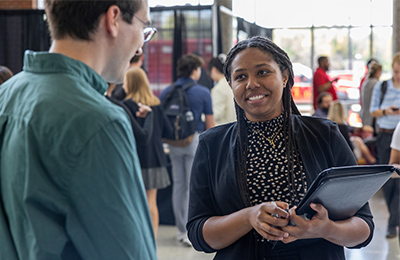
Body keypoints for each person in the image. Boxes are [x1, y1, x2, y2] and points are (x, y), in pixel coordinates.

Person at [187, 36, 373, 260]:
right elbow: (198, 234)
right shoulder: (212, 145)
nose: (252, 83)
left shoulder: (326, 135)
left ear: (285, 76)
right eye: (240, 76)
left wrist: (325, 229)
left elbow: (363, 227)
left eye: (263, 72)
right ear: (231, 85)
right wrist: (248, 217)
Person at [0, 0, 158, 259]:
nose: (141, 45)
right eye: (144, 27)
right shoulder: (99, 121)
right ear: (114, 19)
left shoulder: (5, 95)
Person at [159, 53, 215, 246]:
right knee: (193, 185)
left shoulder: (167, 91)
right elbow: (210, 124)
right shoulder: (202, 92)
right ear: (194, 70)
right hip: (194, 142)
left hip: (173, 143)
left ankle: (180, 229)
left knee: (179, 184)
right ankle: (190, 231)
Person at [122, 67, 172, 237]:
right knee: (152, 203)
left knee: (135, 202)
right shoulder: (156, 104)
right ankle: (153, 239)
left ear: (131, 83)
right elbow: (168, 131)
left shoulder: (126, 106)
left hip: (137, 160)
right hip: (157, 159)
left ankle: (139, 238)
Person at [370, 52, 400, 239]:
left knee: (399, 185)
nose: (398, 76)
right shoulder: (382, 87)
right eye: (396, 71)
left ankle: (392, 223)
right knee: (389, 181)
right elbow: (373, 111)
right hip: (385, 135)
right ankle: (393, 218)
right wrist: (387, 111)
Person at [208, 53, 236, 126]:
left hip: (224, 128)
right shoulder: (233, 84)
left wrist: (203, 116)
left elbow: (217, 114)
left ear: (214, 70)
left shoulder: (218, 89)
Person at [360, 61, 382, 129]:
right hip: (373, 117)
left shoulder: (365, 82)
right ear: (378, 71)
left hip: (365, 115)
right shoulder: (377, 84)